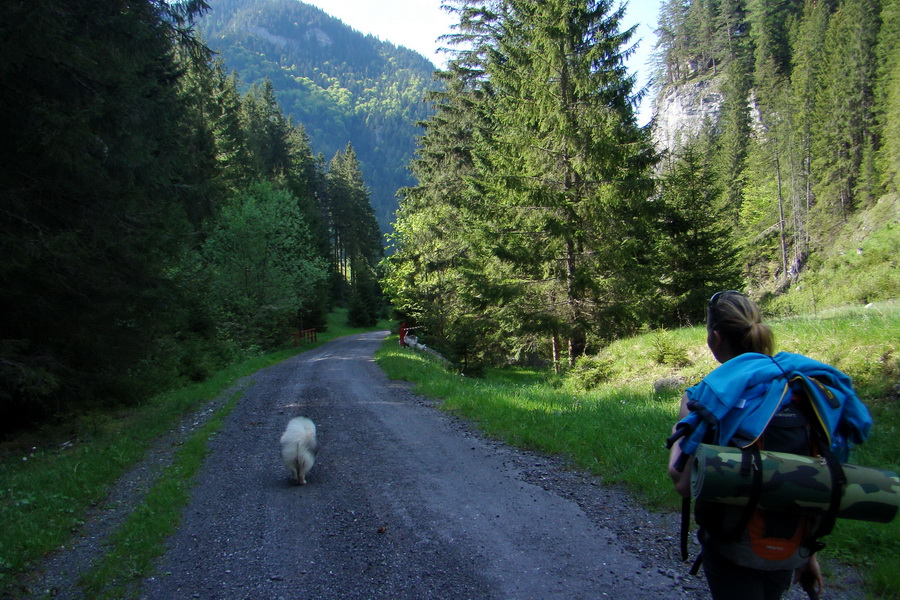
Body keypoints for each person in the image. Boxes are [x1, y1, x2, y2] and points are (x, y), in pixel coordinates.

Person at [667, 290, 825, 600]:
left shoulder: (704, 397)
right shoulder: (798, 389)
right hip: (791, 545)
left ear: (714, 337)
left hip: (732, 546)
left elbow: (683, 482)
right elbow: (809, 474)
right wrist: (808, 555)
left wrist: (677, 432)